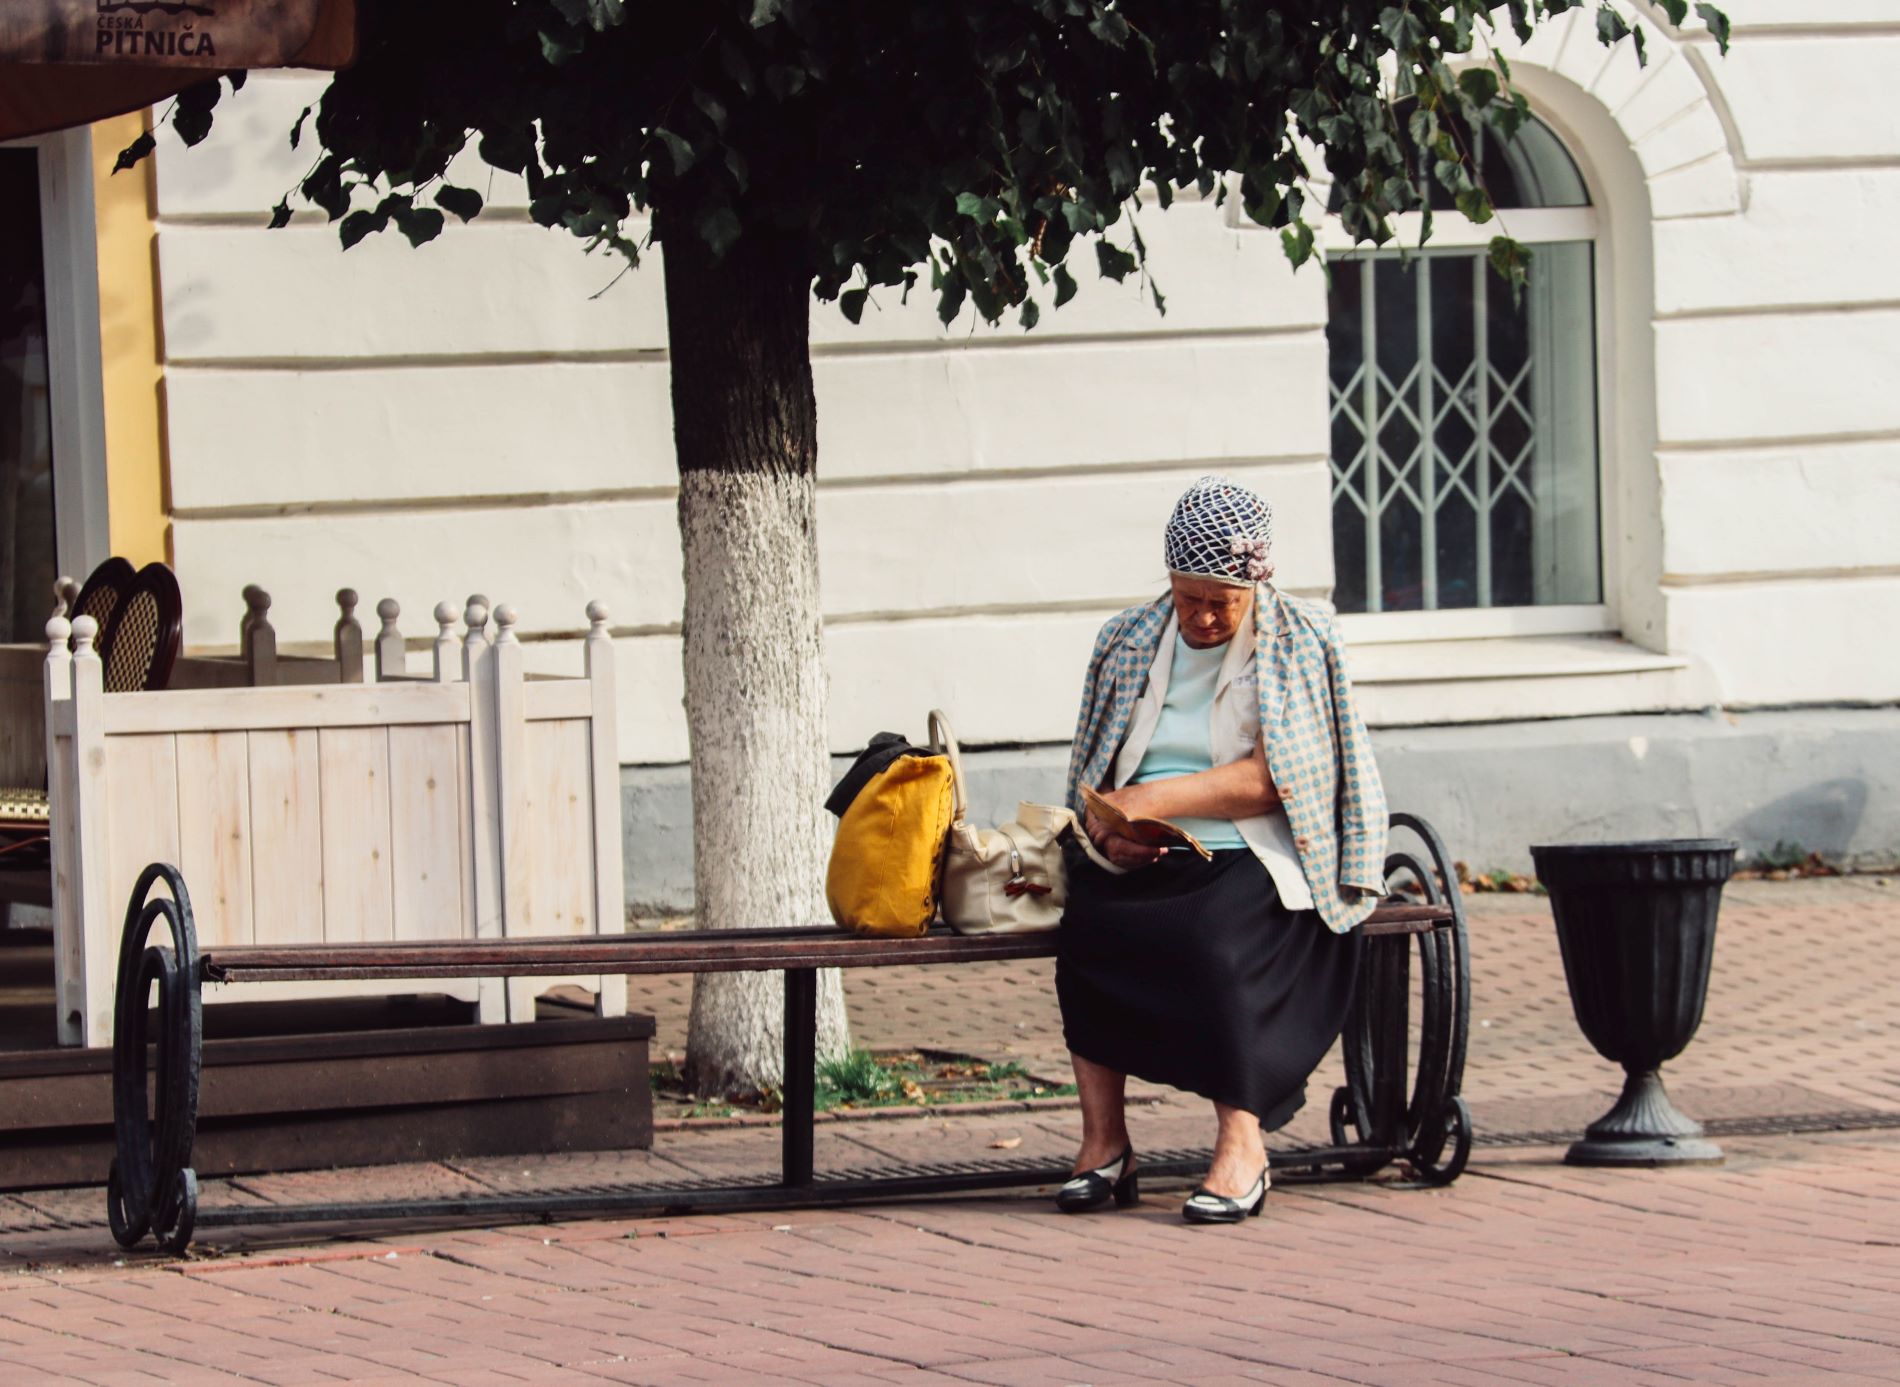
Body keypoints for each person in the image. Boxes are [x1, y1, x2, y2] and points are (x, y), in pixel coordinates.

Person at [1055, 475, 1388, 1224]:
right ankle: (1105, 1144)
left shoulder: (1296, 639)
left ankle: (1243, 1148)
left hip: (1255, 850)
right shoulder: (1127, 637)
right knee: (1090, 930)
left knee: (1211, 942)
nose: (1203, 616)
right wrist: (1108, 827)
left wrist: (1153, 800)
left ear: (1255, 586)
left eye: (1222, 602)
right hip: (1146, 850)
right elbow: (1094, 768)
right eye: (1188, 597)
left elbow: (1275, 780)